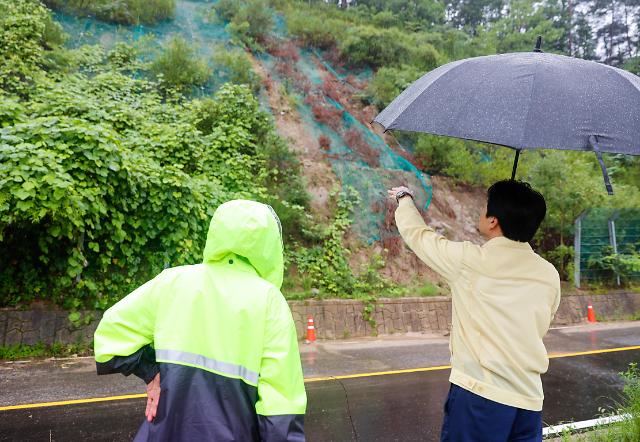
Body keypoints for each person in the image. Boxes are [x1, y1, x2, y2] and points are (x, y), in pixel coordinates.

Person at [94, 199, 307, 442]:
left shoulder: (172, 282)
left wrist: (152, 373)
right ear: (269, 246)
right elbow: (280, 409)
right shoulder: (269, 301)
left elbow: (109, 337)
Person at [388, 180, 560, 442]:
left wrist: (404, 198)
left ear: (493, 221)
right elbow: (541, 325)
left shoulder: (469, 262)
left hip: (480, 396)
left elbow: (419, 236)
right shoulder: (549, 274)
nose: (480, 212)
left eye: (484, 208)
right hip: (529, 401)